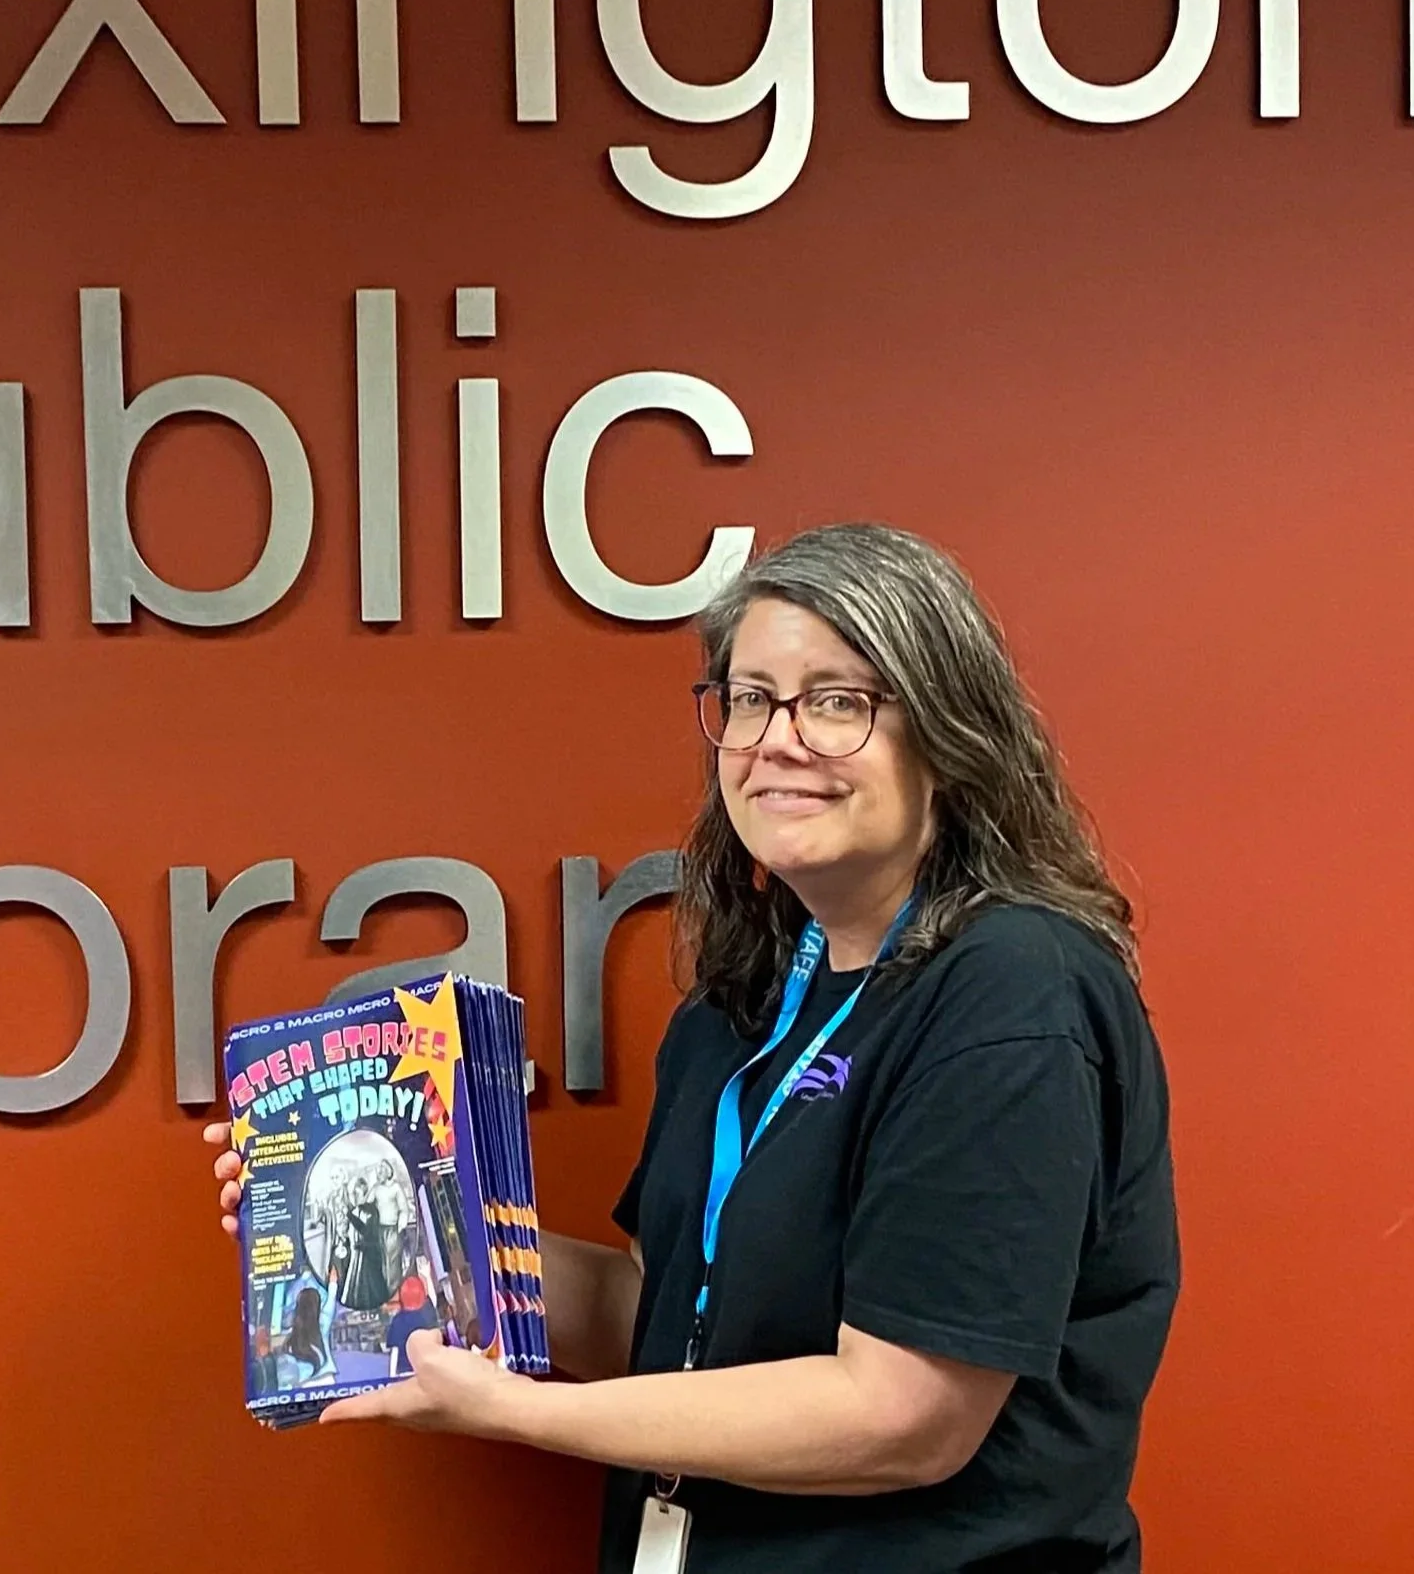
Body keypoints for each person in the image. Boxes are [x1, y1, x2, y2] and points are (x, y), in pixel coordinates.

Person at [207, 524, 1179, 1571]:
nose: (777, 739)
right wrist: (412, 1234)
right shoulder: (741, 1000)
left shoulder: (1011, 990)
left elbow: (905, 1416)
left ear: (948, 734)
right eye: (751, 697)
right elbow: (659, 1313)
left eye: (836, 701)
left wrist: (515, 1412)